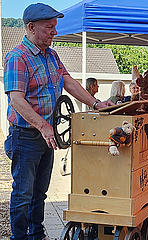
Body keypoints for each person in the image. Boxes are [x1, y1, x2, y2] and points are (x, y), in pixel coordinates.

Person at [3, 4, 113, 240]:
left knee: (40, 193)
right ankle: (19, 237)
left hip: (47, 136)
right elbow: (17, 100)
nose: (55, 32)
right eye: (49, 27)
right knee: (23, 193)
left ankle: (37, 234)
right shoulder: (17, 57)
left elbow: (68, 82)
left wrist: (95, 104)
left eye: (55, 27)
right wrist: (43, 126)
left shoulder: (52, 55)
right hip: (25, 137)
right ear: (31, 28)